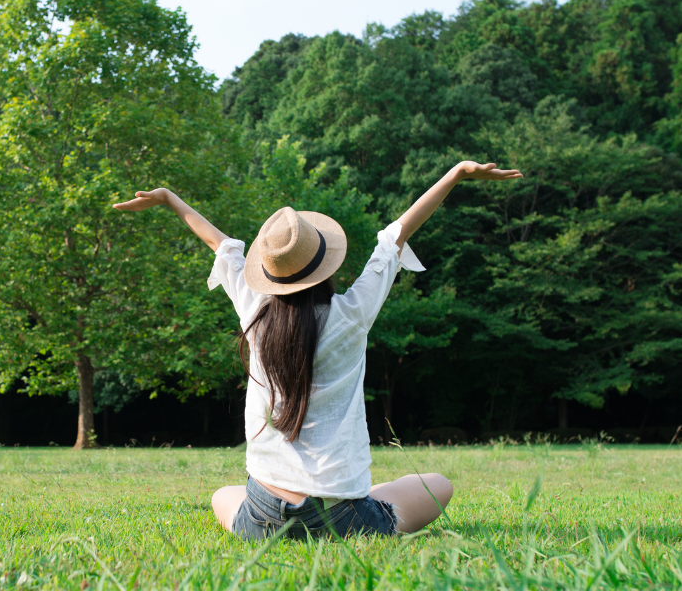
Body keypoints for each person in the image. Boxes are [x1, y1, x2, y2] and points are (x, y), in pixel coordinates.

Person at [113, 161, 522, 540]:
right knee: (438, 485)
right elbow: (396, 236)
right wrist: (455, 175)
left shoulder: (254, 311)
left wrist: (169, 198)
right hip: (344, 517)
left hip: (264, 517)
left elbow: (221, 246)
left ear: (269, 273)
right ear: (325, 265)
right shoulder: (351, 315)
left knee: (225, 494)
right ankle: (359, 498)